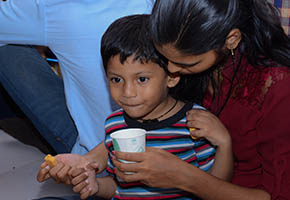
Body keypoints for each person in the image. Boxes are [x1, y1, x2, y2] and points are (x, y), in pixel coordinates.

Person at [108, 0, 290, 199]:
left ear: (231, 39)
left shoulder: (276, 87)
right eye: (164, 57)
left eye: (186, 63)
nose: (171, 70)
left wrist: (184, 177)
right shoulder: (188, 69)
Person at [38, 14, 233, 200]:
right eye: (116, 79)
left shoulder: (195, 123)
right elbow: (121, 188)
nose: (128, 92)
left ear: (172, 76)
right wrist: (96, 186)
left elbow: (215, 187)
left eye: (142, 79)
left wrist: (224, 144)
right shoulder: (114, 124)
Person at [0, 0, 153, 154]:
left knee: (8, 49)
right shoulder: (163, 9)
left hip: (97, 155)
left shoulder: (54, 8)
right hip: (159, 140)